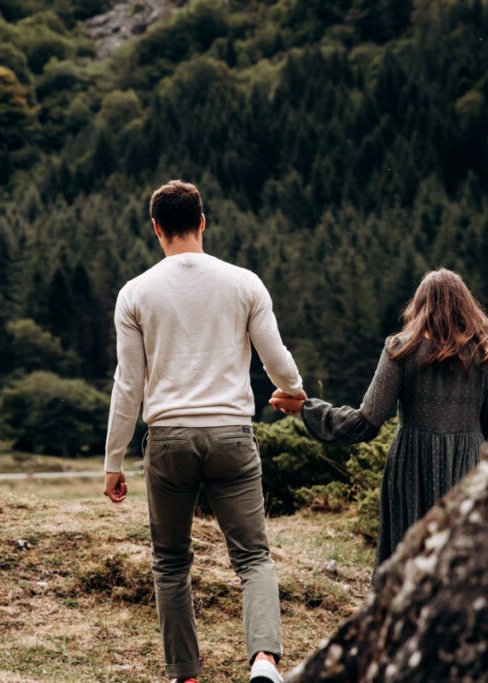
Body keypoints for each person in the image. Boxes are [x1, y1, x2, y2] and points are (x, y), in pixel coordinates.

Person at [103, 180, 305, 683]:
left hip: (168, 440)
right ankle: (263, 661)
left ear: (156, 228)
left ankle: (187, 676)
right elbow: (274, 358)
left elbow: (128, 385)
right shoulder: (245, 283)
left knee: (170, 562)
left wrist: (113, 461)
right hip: (232, 437)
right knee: (254, 557)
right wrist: (294, 391)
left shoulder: (135, 293)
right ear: (203, 221)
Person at [270, 268, 488, 569]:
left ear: (419, 307)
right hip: (469, 466)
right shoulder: (487, 356)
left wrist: (308, 408)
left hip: (412, 466)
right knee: (463, 564)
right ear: (466, 305)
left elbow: (365, 422)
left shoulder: (401, 350)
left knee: (406, 562)